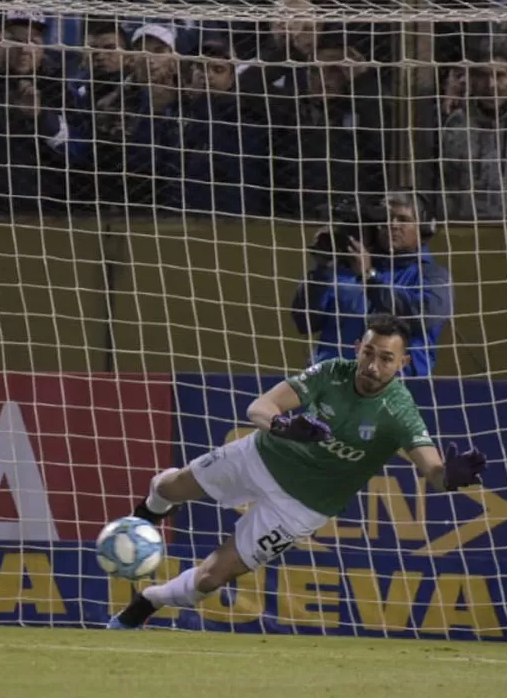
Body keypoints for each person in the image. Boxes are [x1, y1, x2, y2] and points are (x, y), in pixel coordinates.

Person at [107, 315, 487, 630]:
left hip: (302, 506)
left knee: (211, 578)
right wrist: (281, 426)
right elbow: (260, 406)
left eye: (386, 359)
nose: (373, 366)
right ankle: (149, 513)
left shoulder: (400, 412)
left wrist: (448, 477)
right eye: (369, 353)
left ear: (402, 364)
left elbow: (433, 470)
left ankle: (147, 603)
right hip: (260, 458)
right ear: (357, 348)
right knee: (169, 486)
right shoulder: (330, 373)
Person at [290, 192, 453, 376]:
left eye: (403, 219)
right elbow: (304, 322)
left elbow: (424, 318)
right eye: (387, 218)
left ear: (422, 228)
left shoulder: (432, 276)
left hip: (398, 389)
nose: (392, 225)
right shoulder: (343, 269)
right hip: (333, 385)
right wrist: (321, 270)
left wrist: (369, 277)